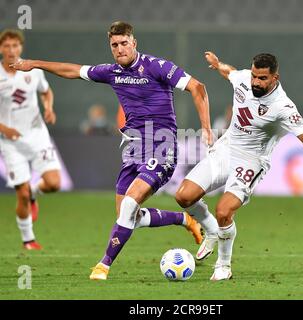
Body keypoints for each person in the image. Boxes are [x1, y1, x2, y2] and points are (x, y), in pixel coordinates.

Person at [11, 21, 214, 279]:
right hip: (133, 150)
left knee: (129, 205)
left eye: (123, 43)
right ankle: (184, 220)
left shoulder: (156, 66)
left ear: (134, 43)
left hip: (162, 147)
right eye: (114, 45)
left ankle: (103, 265)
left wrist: (206, 128)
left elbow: (198, 87)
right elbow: (73, 70)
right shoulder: (111, 72)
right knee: (127, 216)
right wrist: (35, 63)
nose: (119, 49)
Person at [173, 51, 303, 281]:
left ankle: (224, 265)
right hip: (226, 148)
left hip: (251, 159)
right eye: (254, 76)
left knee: (224, 211)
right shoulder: (244, 78)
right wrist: (218, 64)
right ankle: (211, 230)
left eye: (262, 79)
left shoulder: (282, 106)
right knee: (183, 196)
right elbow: (231, 73)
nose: (256, 82)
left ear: (274, 78)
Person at [0, 29, 61, 250]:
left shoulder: (32, 71)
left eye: (15, 45)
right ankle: (29, 240)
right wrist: (4, 128)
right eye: (6, 46)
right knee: (21, 193)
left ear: (21, 47)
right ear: (0, 49)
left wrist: (48, 107)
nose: (11, 50)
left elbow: (46, 91)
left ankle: (36, 193)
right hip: (10, 142)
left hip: (37, 135)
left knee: (54, 184)